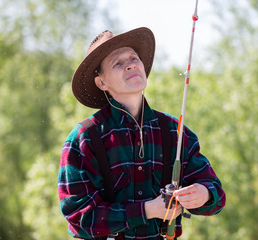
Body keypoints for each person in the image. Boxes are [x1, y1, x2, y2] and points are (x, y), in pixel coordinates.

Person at [58, 27, 225, 240]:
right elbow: (79, 219)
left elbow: (217, 196)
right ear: (102, 82)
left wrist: (204, 194)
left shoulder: (176, 132)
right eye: (117, 63)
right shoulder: (83, 139)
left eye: (133, 58)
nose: (130, 65)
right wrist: (147, 210)